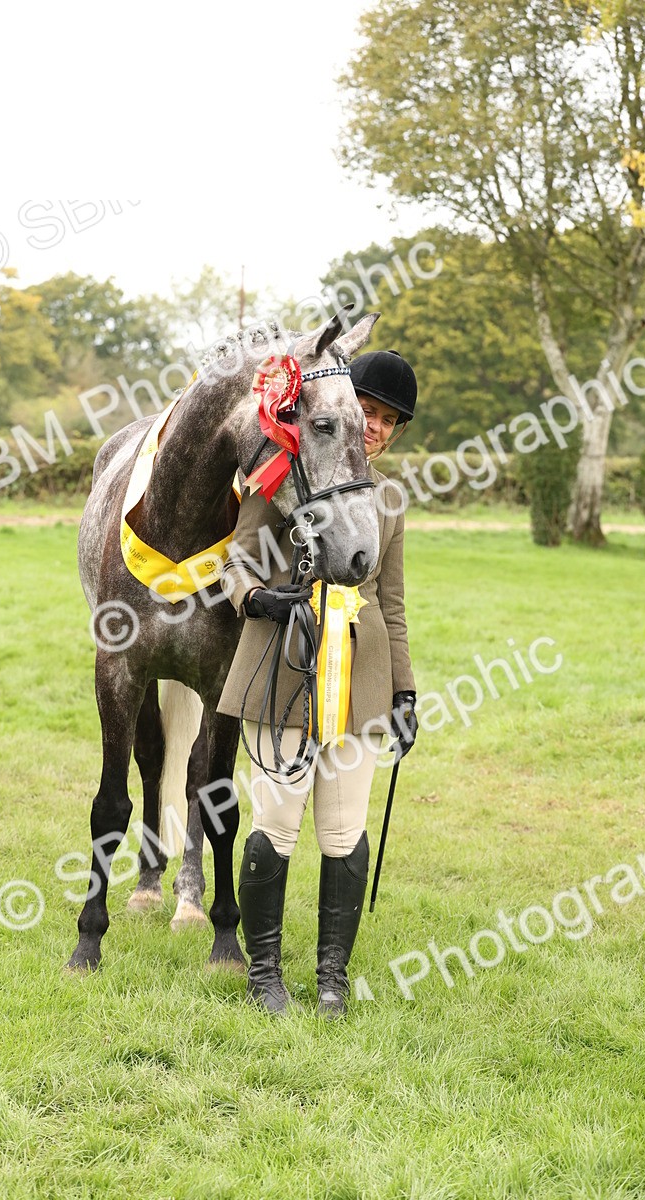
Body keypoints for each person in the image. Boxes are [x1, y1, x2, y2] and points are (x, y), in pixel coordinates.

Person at [217, 349, 419, 1017]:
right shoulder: (280, 473)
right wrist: (257, 600)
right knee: (276, 819)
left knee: (343, 831)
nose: (376, 426)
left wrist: (405, 691)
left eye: (390, 420)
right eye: (368, 410)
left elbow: (390, 602)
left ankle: (332, 976)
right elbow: (237, 565)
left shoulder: (388, 498)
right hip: (283, 664)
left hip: (358, 679)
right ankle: (264, 973)